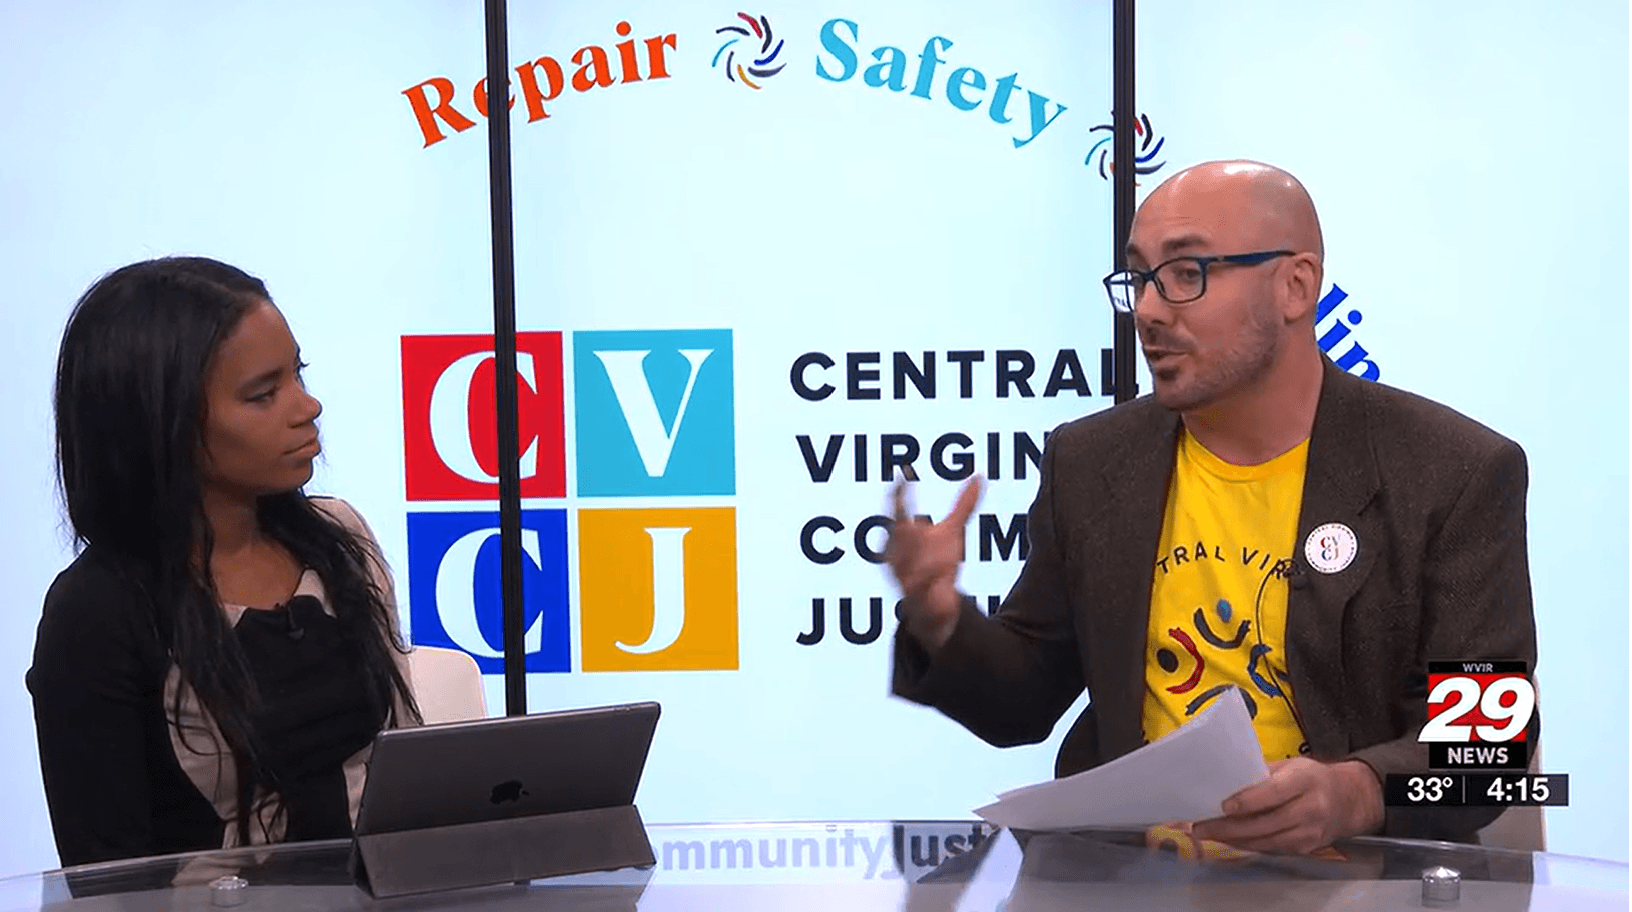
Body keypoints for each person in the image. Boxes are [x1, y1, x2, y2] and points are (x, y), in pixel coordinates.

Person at [886, 160, 1538, 854]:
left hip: (1360, 887)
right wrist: (941, 618)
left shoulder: (1452, 473)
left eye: (1186, 273)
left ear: (1295, 286)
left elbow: (1489, 756)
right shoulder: (1093, 463)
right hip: (1130, 890)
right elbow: (1024, 702)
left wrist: (1357, 792)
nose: (1150, 310)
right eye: (1139, 278)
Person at [30, 257, 421, 866]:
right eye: (264, 394)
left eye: (299, 373)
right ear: (162, 422)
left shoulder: (339, 535)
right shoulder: (97, 613)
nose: (307, 406)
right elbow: (104, 875)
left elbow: (407, 771)